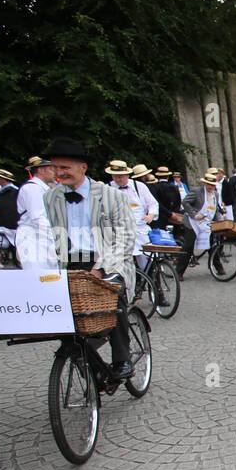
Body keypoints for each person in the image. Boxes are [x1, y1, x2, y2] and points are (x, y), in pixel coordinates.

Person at [42, 137, 136, 379]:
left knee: (113, 301)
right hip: (71, 263)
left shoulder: (111, 196)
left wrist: (101, 269)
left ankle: (123, 359)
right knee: (65, 318)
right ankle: (90, 367)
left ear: (82, 167)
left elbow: (125, 237)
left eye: (65, 167)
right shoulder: (51, 198)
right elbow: (53, 236)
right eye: (55, 168)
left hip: (107, 260)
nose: (59, 173)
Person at [106, 159, 157, 275]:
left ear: (127, 175)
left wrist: (151, 215)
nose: (118, 179)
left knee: (147, 261)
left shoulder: (139, 187)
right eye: (115, 176)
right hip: (119, 232)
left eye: (121, 176)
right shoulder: (107, 189)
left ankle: (150, 280)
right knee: (122, 263)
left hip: (140, 230)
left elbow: (153, 203)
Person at [16, 156, 57, 269]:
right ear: (41, 170)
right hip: (32, 238)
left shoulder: (44, 188)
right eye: (51, 169)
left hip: (43, 237)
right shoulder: (32, 188)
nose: (55, 172)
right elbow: (38, 218)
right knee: (38, 274)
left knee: (51, 275)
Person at [179, 171, 225, 273]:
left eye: (212, 185)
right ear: (205, 183)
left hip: (206, 222)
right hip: (192, 222)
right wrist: (194, 214)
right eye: (209, 184)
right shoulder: (197, 192)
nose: (210, 187)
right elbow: (185, 202)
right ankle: (179, 272)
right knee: (188, 246)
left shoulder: (215, 194)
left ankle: (219, 268)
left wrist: (221, 221)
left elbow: (216, 209)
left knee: (212, 245)